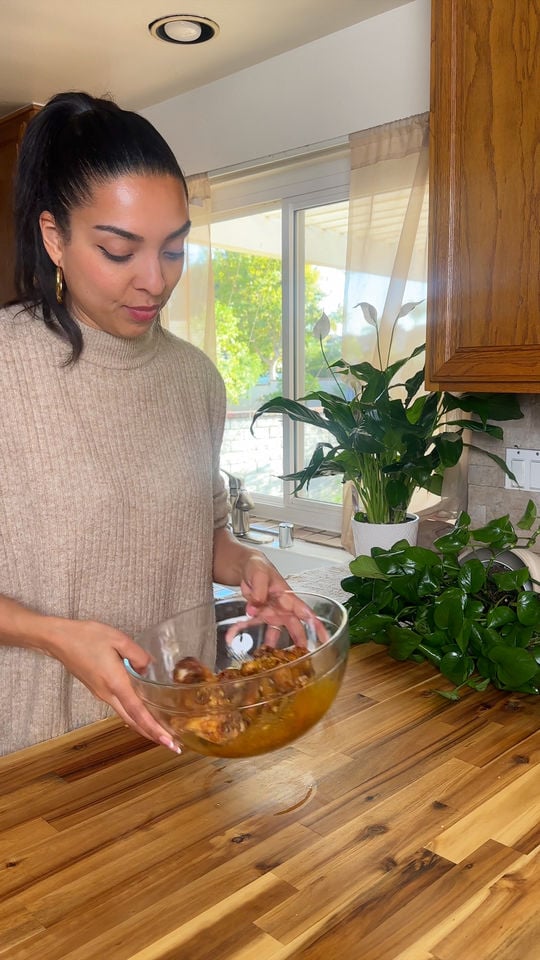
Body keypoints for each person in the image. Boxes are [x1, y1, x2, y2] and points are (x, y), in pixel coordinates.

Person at [0, 91, 322, 757]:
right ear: (53, 235)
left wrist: (249, 564)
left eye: (174, 249)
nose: (155, 280)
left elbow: (190, 537)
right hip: (37, 754)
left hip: (180, 731)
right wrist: (54, 633)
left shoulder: (194, 378)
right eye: (120, 249)